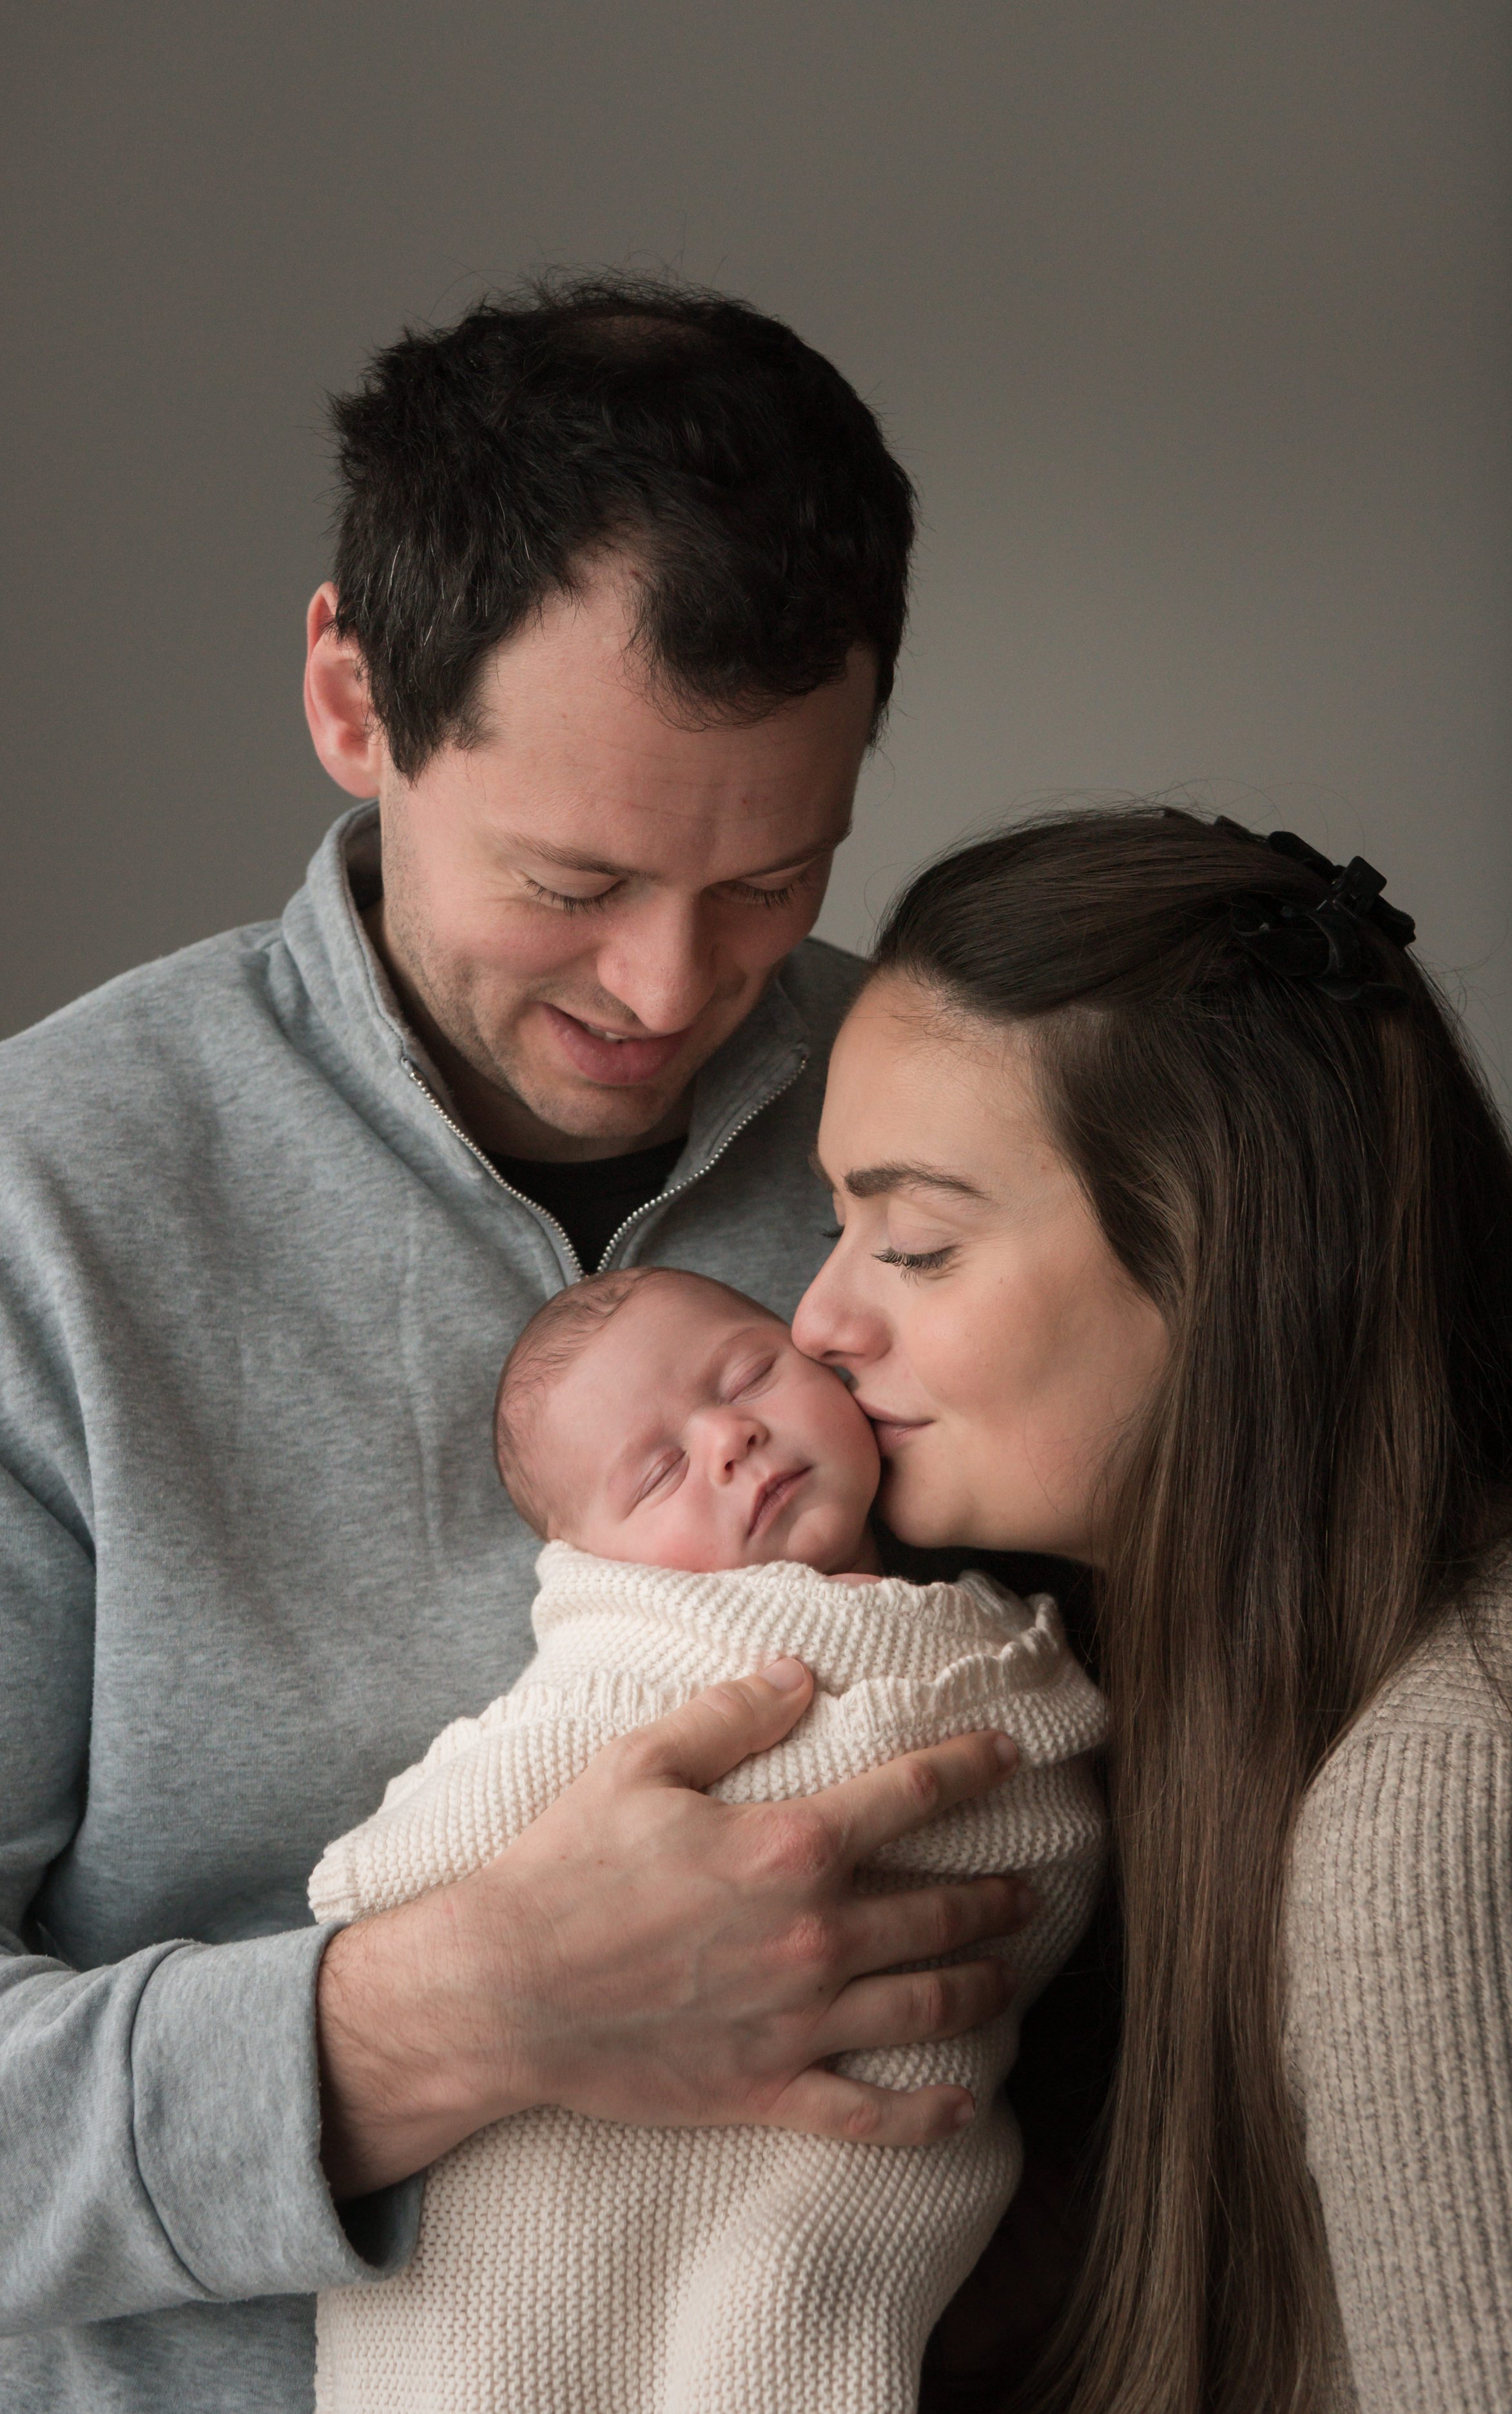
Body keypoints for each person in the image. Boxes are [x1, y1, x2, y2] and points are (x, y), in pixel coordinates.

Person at [0, 277, 1031, 2414]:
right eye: (572, 878)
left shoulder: (958, 1125)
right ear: (352, 700)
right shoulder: (45, 1212)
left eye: (771, 877)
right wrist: (449, 2015)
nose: (667, 986)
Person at [795, 804, 1512, 2414]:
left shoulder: (1463, 1782)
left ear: (1218, 1253)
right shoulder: (1172, 1677)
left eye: (913, 1244)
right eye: (837, 1227)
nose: (818, 1317)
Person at [307, 1267, 1108, 2413]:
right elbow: (407, 1857)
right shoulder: (630, 1670)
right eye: (661, 1470)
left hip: (858, 2182)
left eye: (751, 1373)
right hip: (556, 2201)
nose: (731, 1435)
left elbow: (1049, 1823)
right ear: (597, 1562)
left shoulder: (992, 1623)